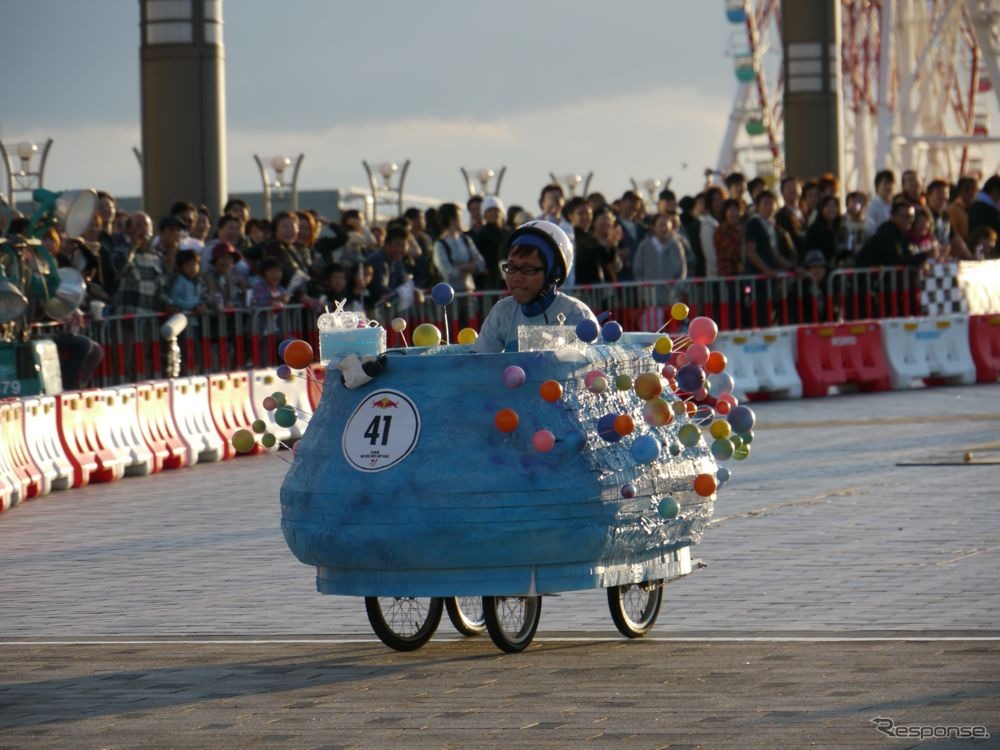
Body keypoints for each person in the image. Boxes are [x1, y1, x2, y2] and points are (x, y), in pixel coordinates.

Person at [471, 220, 597, 354]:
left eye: (528, 269)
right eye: (511, 267)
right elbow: (478, 364)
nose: (516, 277)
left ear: (553, 273)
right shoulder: (502, 313)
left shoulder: (576, 315)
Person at [473, 195, 508, 290]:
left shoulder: (509, 232)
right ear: (484, 214)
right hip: (491, 282)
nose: (493, 213)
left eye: (496, 209)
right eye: (489, 210)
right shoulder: (481, 235)